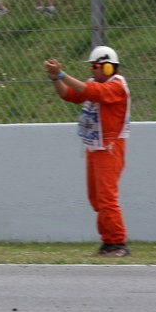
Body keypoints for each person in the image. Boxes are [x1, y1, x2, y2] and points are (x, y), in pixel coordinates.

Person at [43, 45, 131, 258]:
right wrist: (55, 78)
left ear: (109, 68)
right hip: (95, 146)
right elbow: (69, 95)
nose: (92, 70)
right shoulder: (94, 83)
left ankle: (117, 243)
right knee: (96, 198)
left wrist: (63, 74)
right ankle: (107, 242)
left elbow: (93, 93)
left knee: (107, 197)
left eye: (96, 66)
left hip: (109, 146)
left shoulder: (117, 86)